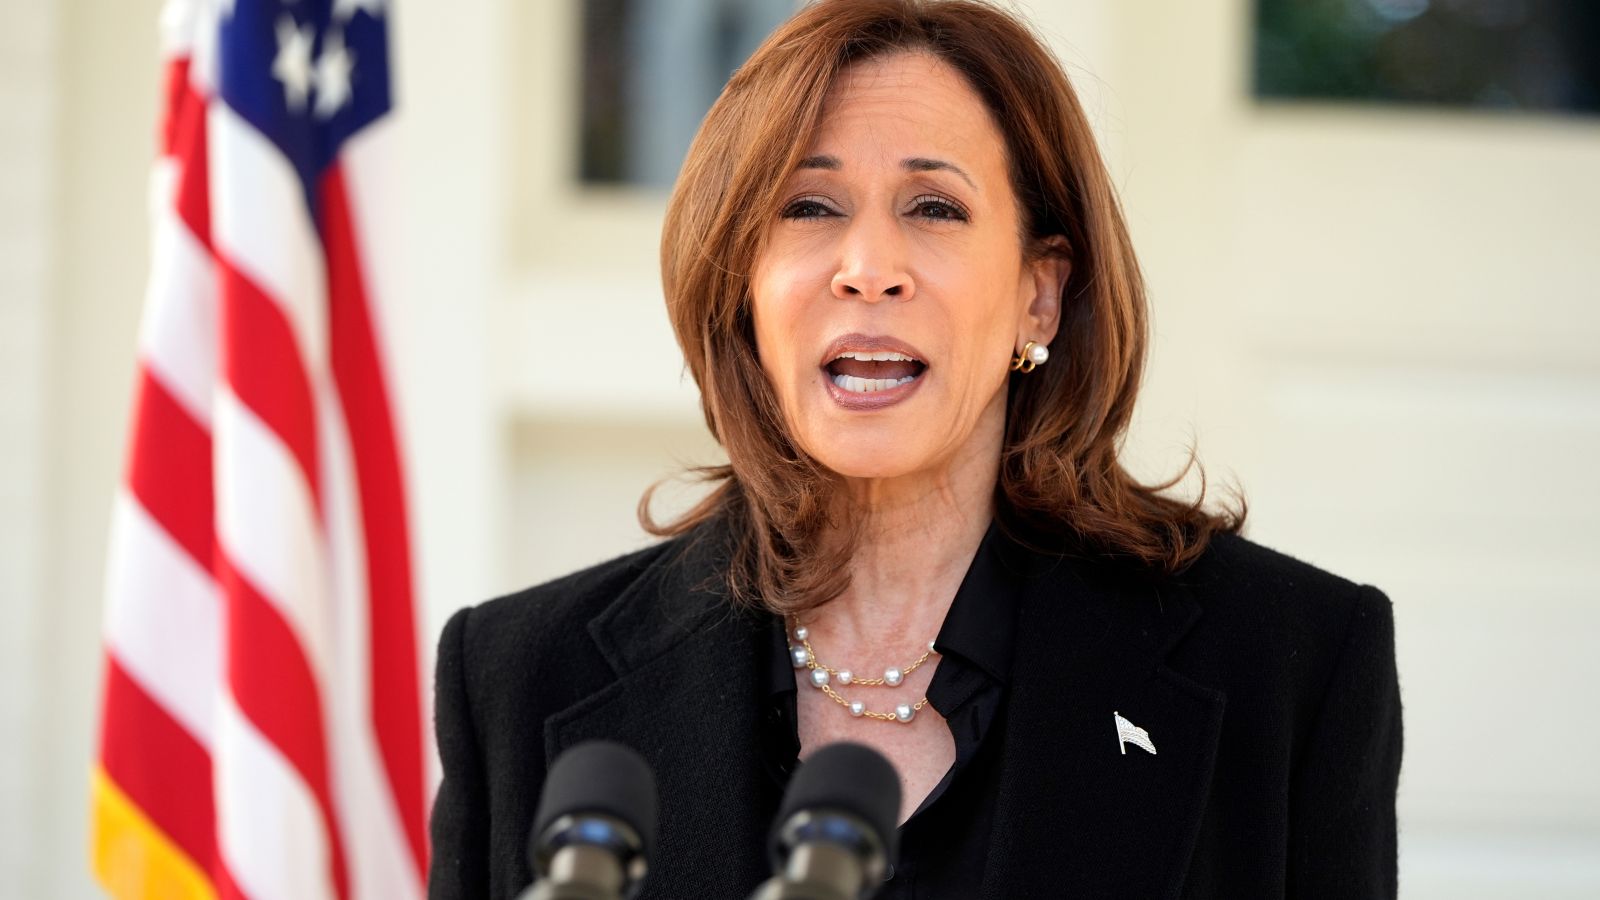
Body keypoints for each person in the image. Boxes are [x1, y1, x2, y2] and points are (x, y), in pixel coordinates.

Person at [427, 1, 1403, 897]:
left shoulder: (1286, 666)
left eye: (933, 208)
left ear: (1040, 294)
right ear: (741, 288)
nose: (868, 269)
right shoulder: (521, 678)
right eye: (808, 207)